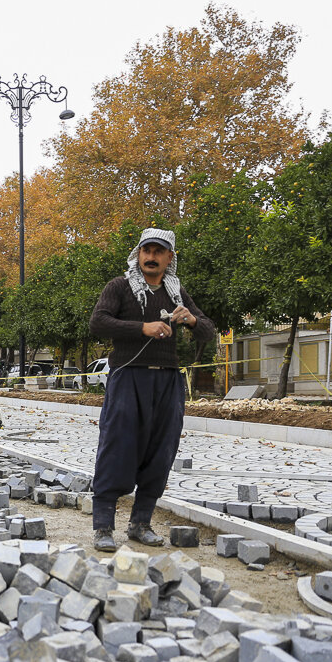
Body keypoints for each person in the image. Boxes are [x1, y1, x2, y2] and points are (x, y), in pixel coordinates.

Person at [88, 227, 215, 552]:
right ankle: (103, 526)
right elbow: (98, 321)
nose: (151, 257)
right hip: (128, 377)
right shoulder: (120, 286)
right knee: (118, 445)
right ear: (138, 254)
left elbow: (208, 332)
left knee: (161, 451)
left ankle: (140, 522)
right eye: (147, 250)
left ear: (169, 258)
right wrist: (141, 328)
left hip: (168, 381)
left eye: (159, 252)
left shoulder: (175, 293)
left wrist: (190, 321)